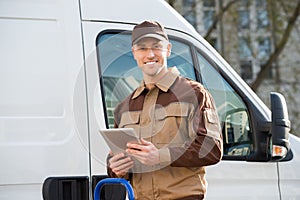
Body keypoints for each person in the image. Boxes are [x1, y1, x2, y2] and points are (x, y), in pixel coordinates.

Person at [107, 20, 223, 200]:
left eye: (156, 46)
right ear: (134, 54)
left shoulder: (194, 93)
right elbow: (118, 158)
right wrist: (116, 169)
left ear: (168, 49)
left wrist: (160, 156)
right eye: (142, 48)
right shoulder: (124, 106)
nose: (150, 54)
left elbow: (212, 148)